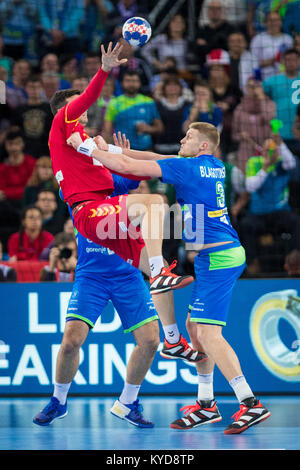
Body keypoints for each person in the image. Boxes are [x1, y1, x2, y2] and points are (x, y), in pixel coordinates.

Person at [71, 121, 271, 434]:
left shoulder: (187, 168)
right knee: (195, 328)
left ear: (203, 145)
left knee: (208, 336)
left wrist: (88, 148)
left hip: (218, 258)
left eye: (188, 136)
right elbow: (153, 156)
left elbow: (127, 165)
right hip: (217, 256)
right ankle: (206, 404)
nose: (181, 138)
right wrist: (111, 149)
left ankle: (249, 402)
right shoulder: (212, 165)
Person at [33, 173, 204, 428]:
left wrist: (160, 268)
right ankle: (58, 401)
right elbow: (69, 182)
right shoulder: (79, 197)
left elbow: (135, 182)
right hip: (91, 277)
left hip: (128, 277)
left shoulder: (131, 207)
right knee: (71, 341)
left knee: (149, 341)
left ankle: (127, 403)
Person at [49, 42, 191, 296]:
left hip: (102, 213)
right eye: (77, 103)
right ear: (64, 110)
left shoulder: (87, 143)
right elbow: (90, 96)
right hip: (89, 211)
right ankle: (159, 272)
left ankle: (160, 289)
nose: (84, 107)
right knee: (155, 203)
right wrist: (104, 70)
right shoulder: (62, 123)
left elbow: (131, 167)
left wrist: (175, 160)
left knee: (143, 255)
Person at [240, 136, 300, 274]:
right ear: (262, 150)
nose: (269, 153)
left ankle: (294, 259)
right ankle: (252, 263)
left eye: (273, 150)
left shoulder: (282, 162)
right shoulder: (254, 162)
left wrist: (281, 144)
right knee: (245, 225)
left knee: (297, 222)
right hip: (258, 214)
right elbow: (250, 187)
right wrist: (266, 167)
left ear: (278, 151)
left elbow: (291, 164)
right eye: (267, 150)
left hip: (279, 212)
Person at [102, 70, 163, 150]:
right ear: (121, 83)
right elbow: (107, 131)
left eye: (134, 81)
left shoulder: (149, 102)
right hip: (122, 151)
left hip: (146, 150)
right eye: (128, 81)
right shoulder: (114, 103)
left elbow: (160, 128)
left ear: (140, 83)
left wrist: (148, 128)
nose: (131, 84)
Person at [232, 77, 276, 173]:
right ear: (246, 88)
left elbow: (270, 119)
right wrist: (241, 135)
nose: (254, 90)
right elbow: (234, 135)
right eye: (251, 87)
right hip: (246, 152)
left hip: (266, 151)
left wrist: (262, 99)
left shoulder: (270, 104)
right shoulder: (239, 108)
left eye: (257, 87)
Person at [262, 48, 300, 153]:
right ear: (283, 62)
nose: (291, 63)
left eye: (294, 60)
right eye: (287, 60)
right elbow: (258, 89)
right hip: (279, 134)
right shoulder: (274, 80)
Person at [11, 75, 53, 158]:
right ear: (25, 88)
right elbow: (15, 131)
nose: (35, 90)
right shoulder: (18, 110)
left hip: (46, 150)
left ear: (42, 88)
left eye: (37, 87)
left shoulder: (50, 109)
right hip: (25, 151)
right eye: (31, 87)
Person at [250, 10, 293, 80]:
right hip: (264, 80)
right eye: (270, 20)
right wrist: (271, 61)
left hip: (285, 80)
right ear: (266, 23)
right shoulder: (258, 39)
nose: (273, 23)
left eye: (276, 20)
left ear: (281, 22)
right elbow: (251, 63)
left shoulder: (288, 39)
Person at [0, 128, 36, 207]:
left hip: (28, 203)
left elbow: (31, 189)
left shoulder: (31, 163)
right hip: (7, 205)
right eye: (10, 144)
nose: (14, 147)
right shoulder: (2, 168)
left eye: (17, 143)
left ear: (23, 144)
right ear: (5, 145)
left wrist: (7, 193)